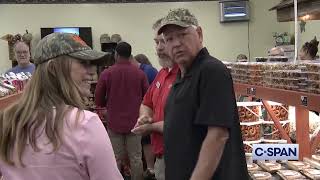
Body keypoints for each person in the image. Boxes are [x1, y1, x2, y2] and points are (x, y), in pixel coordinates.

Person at [0, 32, 123, 180]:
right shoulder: (85, 123)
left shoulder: (8, 121)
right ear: (53, 69)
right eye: (83, 63)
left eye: (92, 64)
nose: (92, 71)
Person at [157, 8, 249, 180]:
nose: (176, 43)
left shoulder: (211, 70)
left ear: (199, 34)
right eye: (169, 39)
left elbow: (218, 136)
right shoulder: (180, 78)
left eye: (183, 34)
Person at [131, 17, 178, 180]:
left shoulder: (185, 75)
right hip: (161, 157)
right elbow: (146, 102)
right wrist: (145, 116)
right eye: (156, 42)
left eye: (163, 42)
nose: (158, 48)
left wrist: (150, 127)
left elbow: (181, 124)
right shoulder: (162, 73)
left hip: (177, 159)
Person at [95, 41, 148, 180]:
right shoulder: (140, 73)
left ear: (116, 54)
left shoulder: (107, 73)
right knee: (136, 157)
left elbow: (98, 99)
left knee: (115, 158)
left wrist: (108, 104)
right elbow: (147, 98)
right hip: (135, 122)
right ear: (130, 55)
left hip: (114, 122)